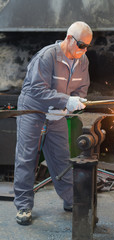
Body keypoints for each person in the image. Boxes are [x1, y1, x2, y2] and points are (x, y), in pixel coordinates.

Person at [14, 21, 93, 225]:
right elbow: (37, 90)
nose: (84, 50)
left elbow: (81, 88)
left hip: (57, 112)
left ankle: (69, 199)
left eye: (87, 46)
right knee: (27, 157)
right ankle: (23, 206)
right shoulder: (47, 56)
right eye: (81, 45)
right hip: (33, 109)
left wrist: (75, 102)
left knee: (61, 156)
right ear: (69, 39)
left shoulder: (82, 61)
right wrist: (65, 100)